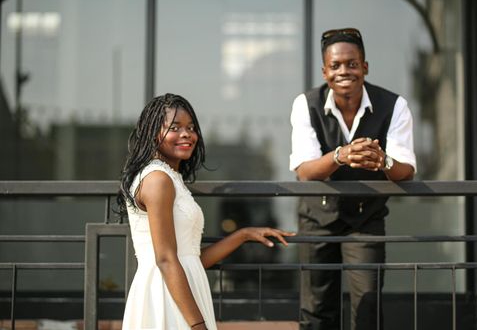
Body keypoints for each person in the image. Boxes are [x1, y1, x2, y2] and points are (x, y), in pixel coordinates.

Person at [117, 93, 295, 330]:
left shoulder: (171, 178)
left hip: (184, 290)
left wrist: (243, 235)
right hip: (165, 296)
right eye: (175, 127)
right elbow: (165, 259)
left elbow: (192, 259)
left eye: (190, 127)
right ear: (153, 134)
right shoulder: (157, 179)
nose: (186, 134)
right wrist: (198, 325)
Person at [289, 28, 416, 330]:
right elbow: (304, 171)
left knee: (368, 306)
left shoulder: (394, 105)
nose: (344, 71)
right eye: (335, 66)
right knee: (317, 310)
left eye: (352, 63)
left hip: (366, 218)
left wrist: (381, 159)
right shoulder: (305, 104)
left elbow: (406, 170)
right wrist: (341, 155)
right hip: (316, 218)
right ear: (325, 71)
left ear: (365, 67)